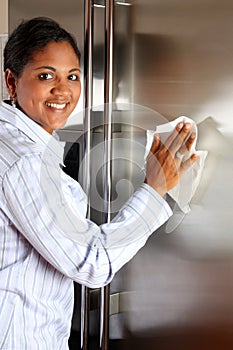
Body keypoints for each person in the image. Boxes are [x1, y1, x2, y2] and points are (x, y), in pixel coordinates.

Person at [0, 17, 198, 349]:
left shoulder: (16, 144)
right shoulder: (26, 161)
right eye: (45, 75)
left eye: (72, 76)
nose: (62, 90)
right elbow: (92, 262)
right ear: (11, 81)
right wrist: (155, 189)